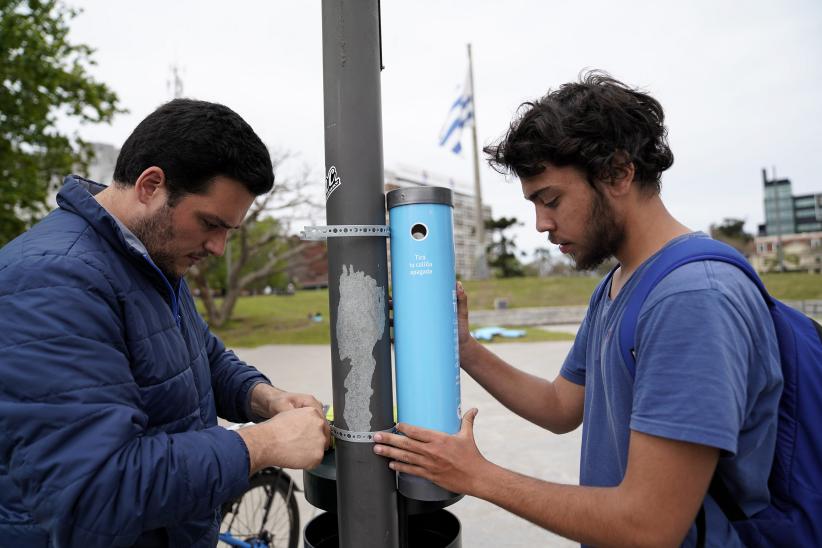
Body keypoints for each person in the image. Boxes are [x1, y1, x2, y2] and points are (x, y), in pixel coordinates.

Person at [373, 72, 782, 546]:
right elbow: (561, 406)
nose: (542, 224)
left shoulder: (691, 299)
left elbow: (648, 525)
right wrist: (464, 348)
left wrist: (478, 476)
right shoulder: (622, 281)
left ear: (618, 173)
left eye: (551, 200)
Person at [0, 99, 331, 547]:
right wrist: (262, 445)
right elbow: (95, 491)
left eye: (229, 232)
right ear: (150, 185)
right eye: (210, 223)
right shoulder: (54, 280)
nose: (217, 248)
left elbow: (197, 355)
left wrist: (263, 398)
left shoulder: (149, 255)